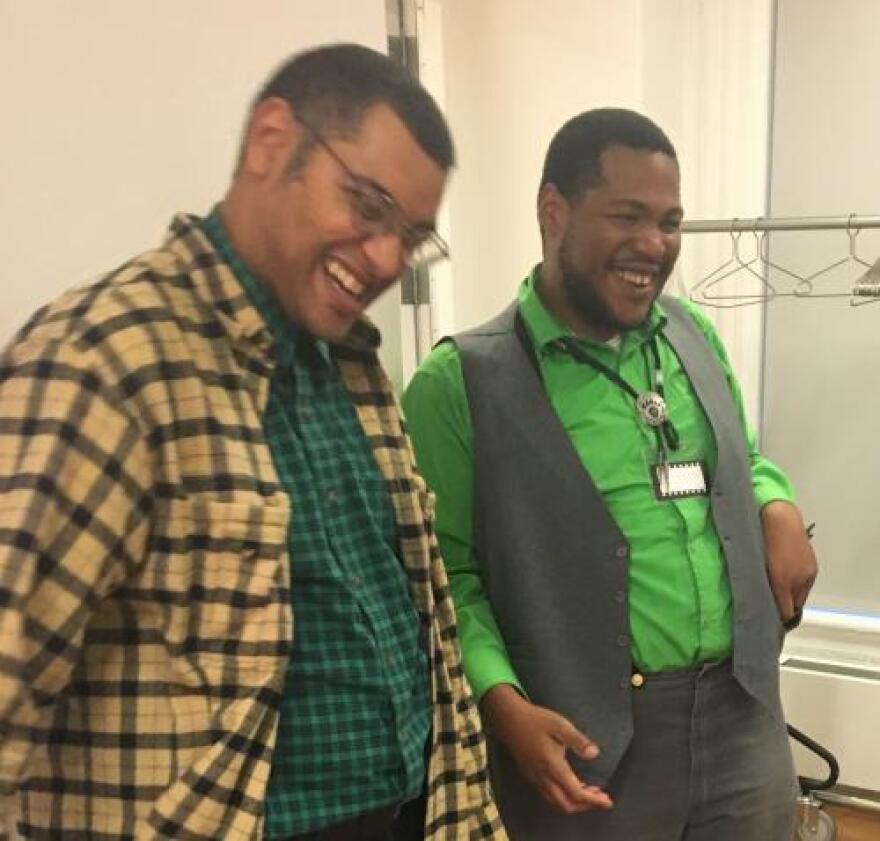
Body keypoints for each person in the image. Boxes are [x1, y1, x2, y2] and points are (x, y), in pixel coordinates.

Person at [0, 44, 507, 841]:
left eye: (410, 237)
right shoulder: (108, 358)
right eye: (367, 206)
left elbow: (427, 639)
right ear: (272, 142)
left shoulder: (350, 364)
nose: (384, 259)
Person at [402, 108, 818, 841]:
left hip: (743, 716)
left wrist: (777, 505)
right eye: (628, 216)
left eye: (670, 221)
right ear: (553, 210)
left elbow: (742, 462)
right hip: (584, 743)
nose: (654, 246)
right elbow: (447, 581)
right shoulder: (458, 381)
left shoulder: (694, 335)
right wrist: (503, 705)